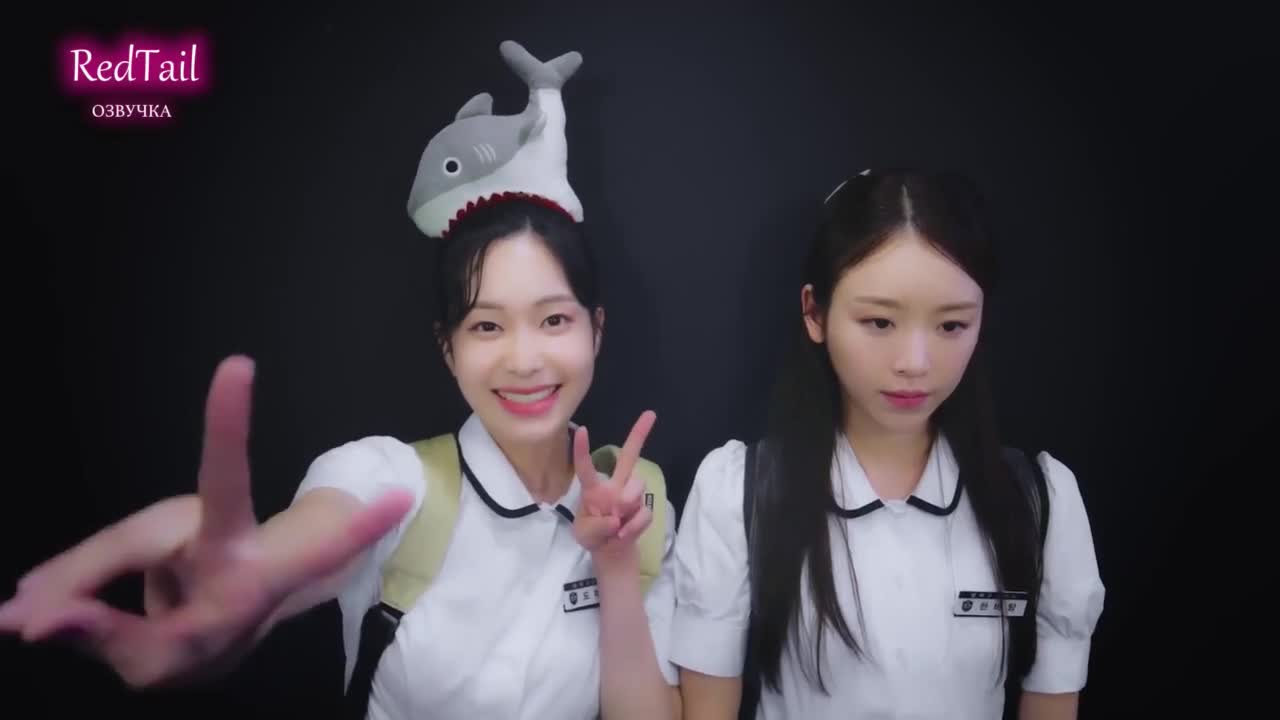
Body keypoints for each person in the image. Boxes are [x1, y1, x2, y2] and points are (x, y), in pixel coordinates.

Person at [0, 41, 681, 720]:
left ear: (596, 329)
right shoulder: (392, 480)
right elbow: (311, 536)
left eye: (554, 320)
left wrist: (616, 565)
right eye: (486, 326)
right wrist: (241, 579)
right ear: (447, 349)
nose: (525, 359)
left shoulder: (637, 498)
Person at [670, 169, 1105, 719]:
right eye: (879, 322)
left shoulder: (1039, 501)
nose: (914, 363)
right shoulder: (740, 493)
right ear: (815, 312)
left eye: (951, 326)